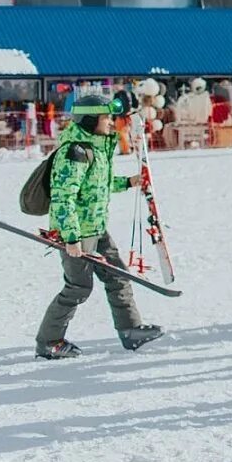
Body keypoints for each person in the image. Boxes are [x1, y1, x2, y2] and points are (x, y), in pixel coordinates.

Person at [34, 91, 162, 359]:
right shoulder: (75, 152)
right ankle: (49, 341)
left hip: (97, 227)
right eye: (105, 117)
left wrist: (128, 182)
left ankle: (130, 330)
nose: (109, 122)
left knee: (118, 276)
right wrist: (71, 238)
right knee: (78, 287)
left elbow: (99, 184)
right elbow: (63, 196)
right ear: (90, 119)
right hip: (77, 232)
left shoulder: (96, 147)